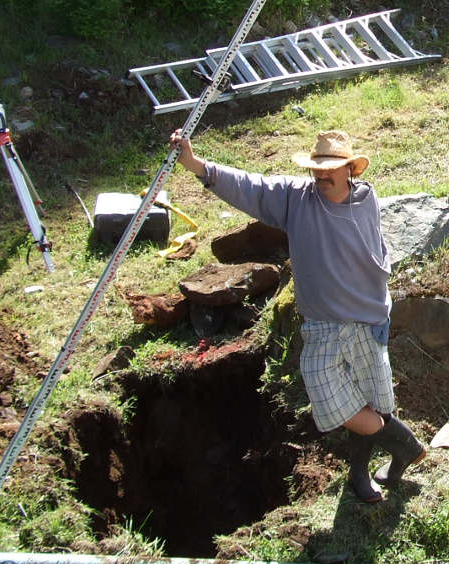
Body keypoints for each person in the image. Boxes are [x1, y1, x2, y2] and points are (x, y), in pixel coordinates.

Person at [169, 128, 426, 502]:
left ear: (351, 170)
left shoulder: (366, 199)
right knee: (328, 391)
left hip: (369, 321)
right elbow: (250, 187)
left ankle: (363, 472)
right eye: (316, 169)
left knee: (371, 403)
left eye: (331, 169)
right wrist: (195, 164)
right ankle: (404, 442)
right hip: (323, 326)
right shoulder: (296, 199)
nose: (322, 176)